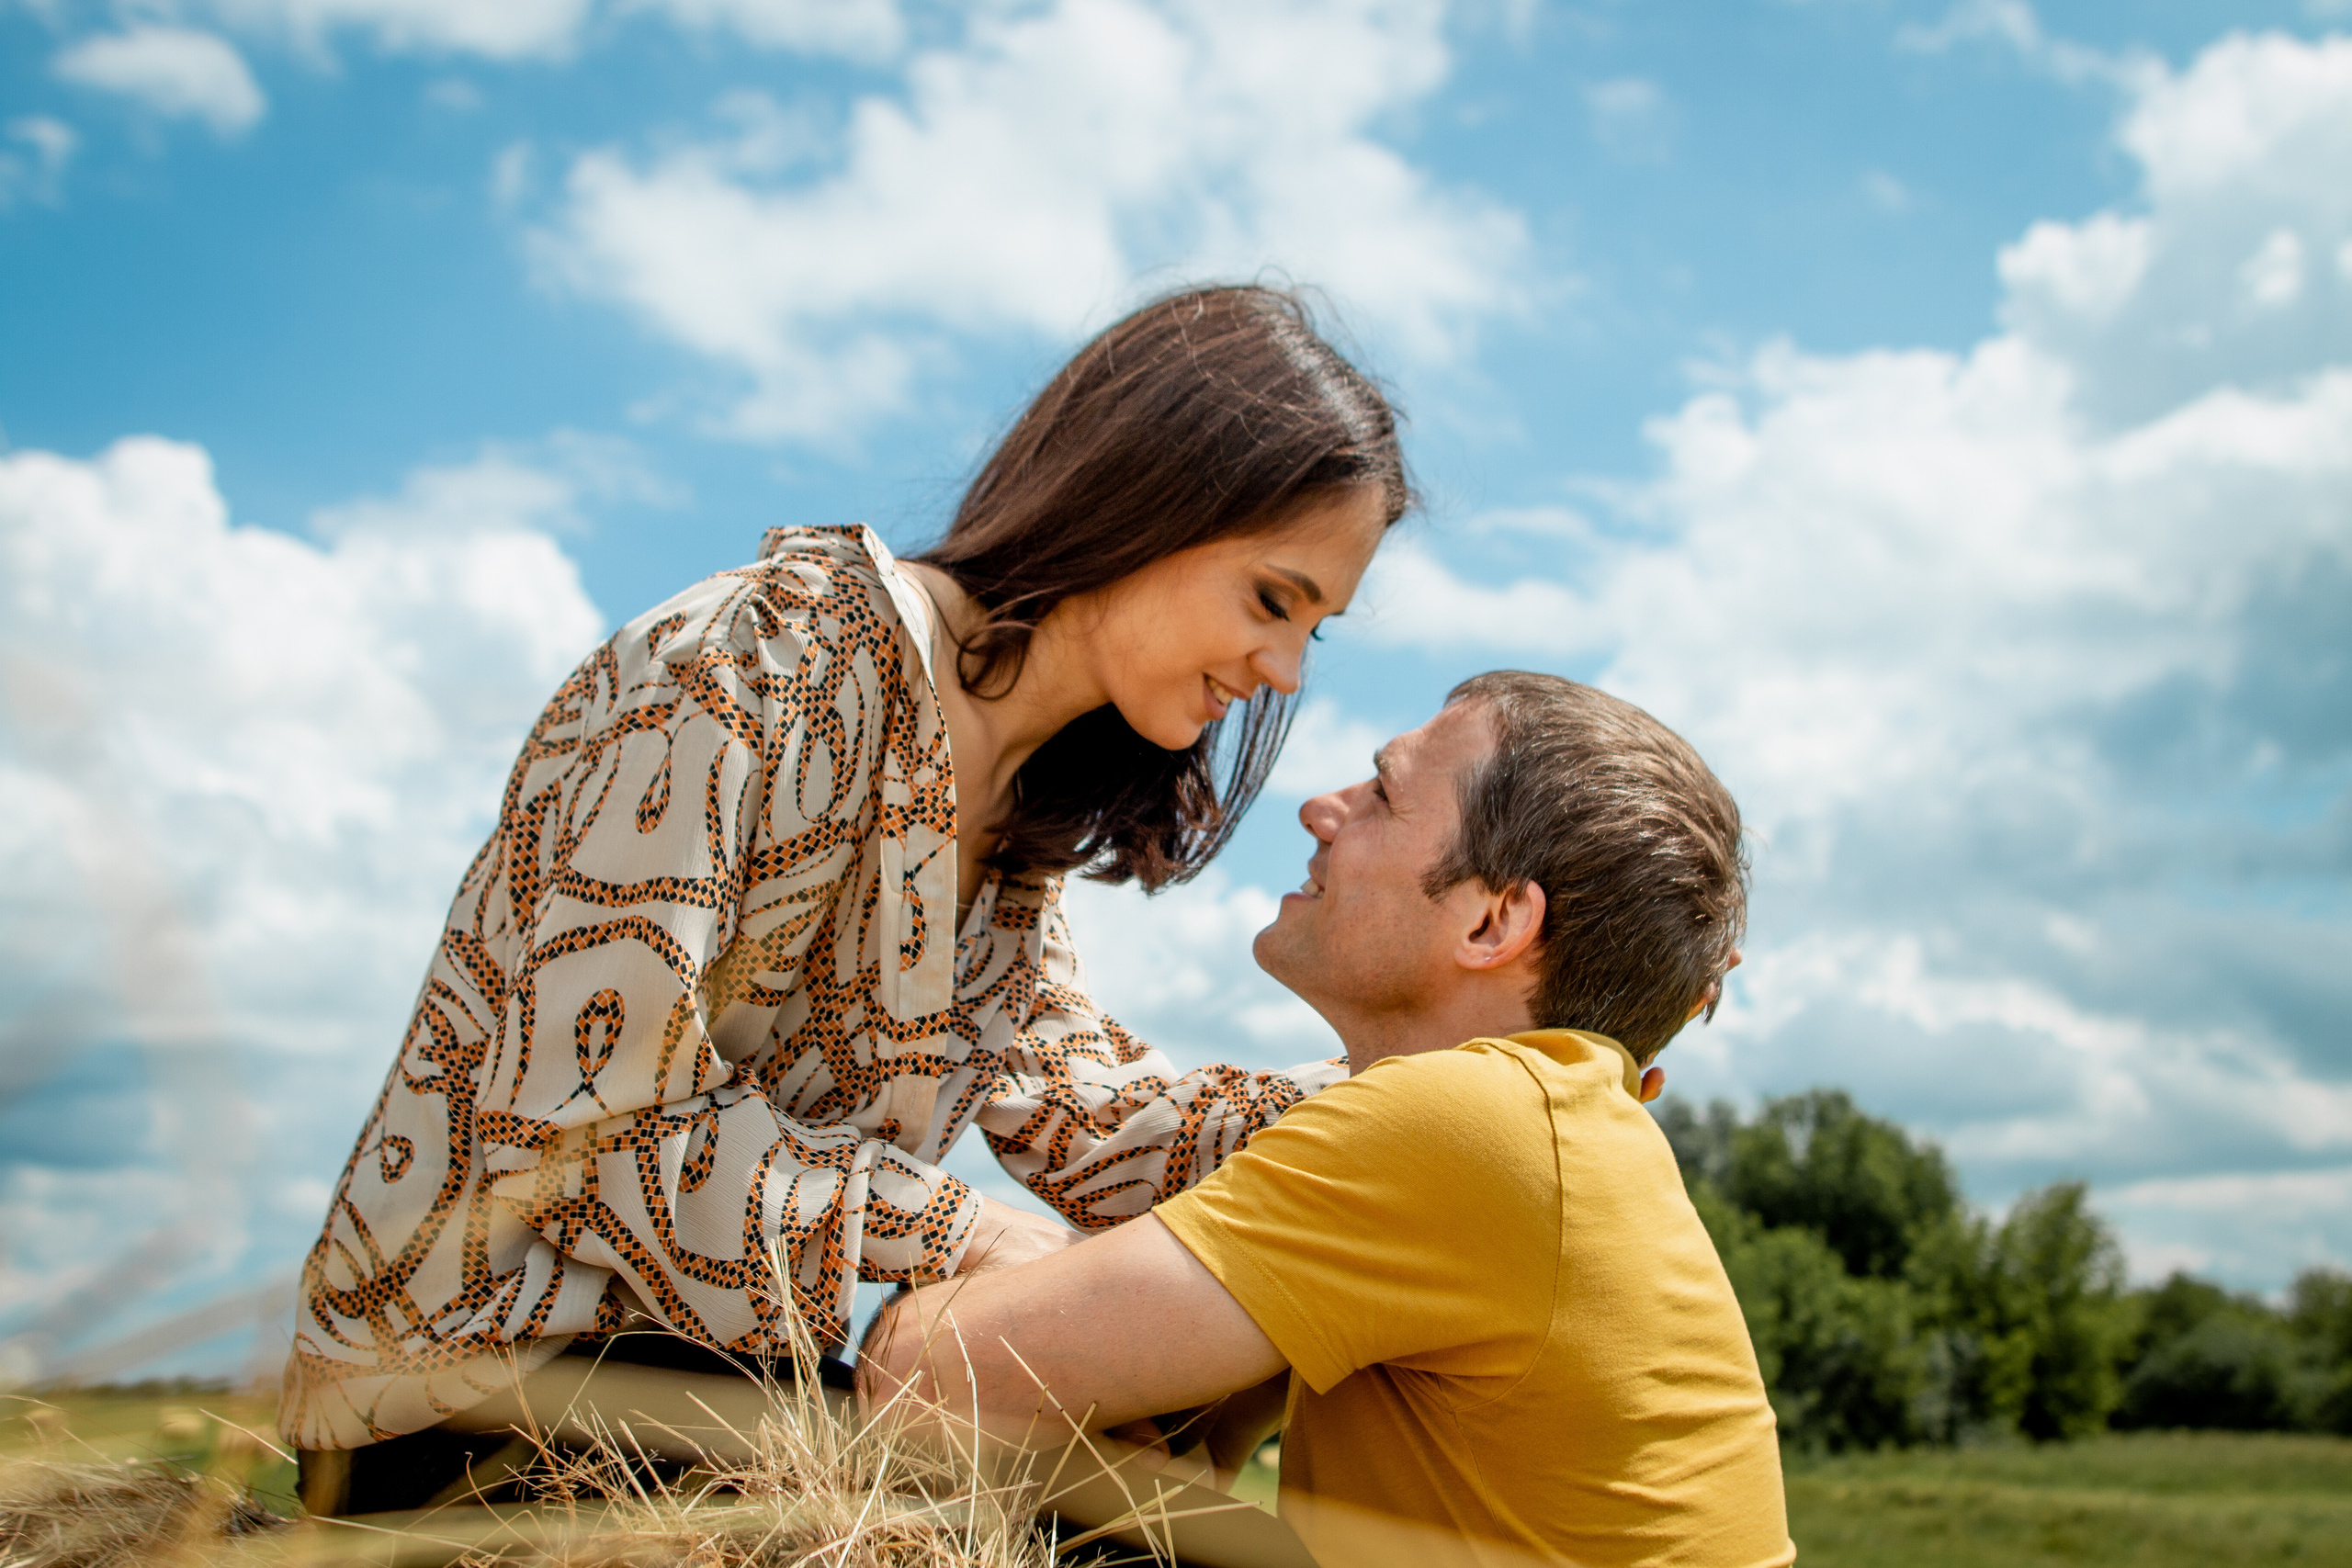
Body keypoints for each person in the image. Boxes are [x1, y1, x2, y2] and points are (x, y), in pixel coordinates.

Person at [280, 285, 1413, 1504]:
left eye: (1317, 628)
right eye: (1272, 597)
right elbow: (587, 1120)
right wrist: (975, 1241)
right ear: (1147, 500)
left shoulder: (1025, 821)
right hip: (475, 1390)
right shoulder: (751, 659)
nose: (1283, 670)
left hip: (709, 1396)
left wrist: (1431, 1103)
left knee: (1142, 1498)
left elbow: (1078, 1113)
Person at [861, 672, 1792, 1568]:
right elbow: (1171, 1455)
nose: (1319, 808)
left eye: (1383, 794)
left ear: (1492, 923)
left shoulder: (1467, 1124)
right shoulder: (1551, 1127)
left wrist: (989, 1253)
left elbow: (928, 1380)